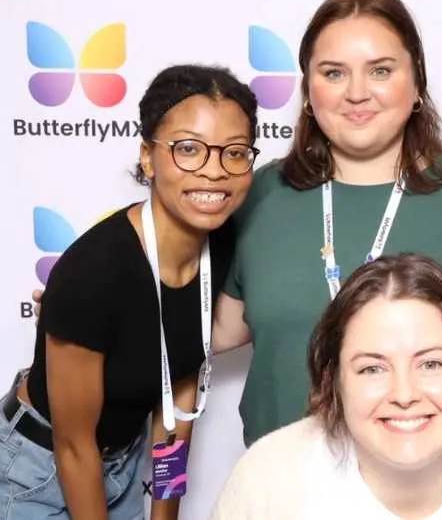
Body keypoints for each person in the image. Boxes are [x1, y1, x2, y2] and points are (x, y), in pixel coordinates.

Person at [213, 0, 442, 446]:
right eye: (334, 73)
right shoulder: (258, 193)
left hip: (425, 478)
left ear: (417, 83)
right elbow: (220, 328)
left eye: (381, 70)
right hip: (280, 477)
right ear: (308, 89)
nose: (357, 93)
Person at [1, 64, 258, 519]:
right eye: (188, 149)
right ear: (148, 157)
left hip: (123, 463)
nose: (214, 171)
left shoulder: (219, 242)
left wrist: (164, 514)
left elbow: (179, 404)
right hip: (37, 471)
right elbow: (74, 446)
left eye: (234, 153)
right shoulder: (94, 273)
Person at [210, 253, 442, 519]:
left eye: (431, 364)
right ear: (334, 380)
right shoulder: (267, 484)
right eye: (372, 368)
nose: (404, 395)